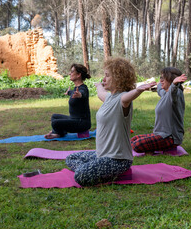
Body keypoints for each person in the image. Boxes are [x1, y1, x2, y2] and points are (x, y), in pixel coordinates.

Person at [65, 57, 157, 186]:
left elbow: (127, 98)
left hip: (118, 159)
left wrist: (138, 90)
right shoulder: (109, 97)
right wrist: (98, 86)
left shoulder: (123, 99)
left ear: (118, 78)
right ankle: (97, 169)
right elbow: (100, 93)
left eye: (107, 76)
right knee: (71, 158)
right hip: (101, 155)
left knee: (80, 176)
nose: (104, 79)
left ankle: (109, 172)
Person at [130, 67, 187, 153]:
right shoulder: (165, 94)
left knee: (137, 145)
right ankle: (157, 147)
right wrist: (154, 84)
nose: (161, 80)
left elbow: (173, 91)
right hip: (160, 134)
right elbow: (160, 89)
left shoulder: (176, 94)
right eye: (161, 78)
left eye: (164, 78)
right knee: (133, 140)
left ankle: (160, 148)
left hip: (170, 137)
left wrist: (175, 84)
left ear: (171, 80)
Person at [44, 64, 92, 139]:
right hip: (74, 119)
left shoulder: (83, 88)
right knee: (54, 116)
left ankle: (57, 133)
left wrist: (80, 95)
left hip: (82, 123)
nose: (70, 73)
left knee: (55, 123)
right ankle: (59, 133)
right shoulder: (76, 88)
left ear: (79, 75)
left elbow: (83, 93)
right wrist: (69, 92)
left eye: (72, 71)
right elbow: (73, 93)